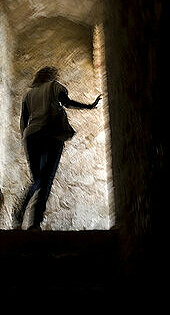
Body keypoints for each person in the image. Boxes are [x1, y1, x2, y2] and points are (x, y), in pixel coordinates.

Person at [14, 66, 102, 231]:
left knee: (37, 178)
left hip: (32, 137)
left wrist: (25, 139)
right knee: (47, 180)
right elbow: (67, 103)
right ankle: (35, 223)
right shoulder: (55, 86)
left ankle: (20, 213)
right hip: (52, 134)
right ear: (52, 76)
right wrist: (89, 106)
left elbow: (23, 121)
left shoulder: (28, 95)